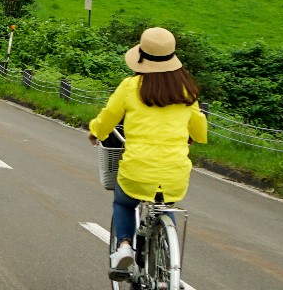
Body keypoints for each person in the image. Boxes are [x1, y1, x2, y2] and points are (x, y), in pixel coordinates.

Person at [86, 26, 207, 273]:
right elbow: (199, 131)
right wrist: (190, 136)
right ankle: (166, 267)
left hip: (137, 169)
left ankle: (124, 246)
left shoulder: (131, 86)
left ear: (141, 56)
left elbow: (109, 116)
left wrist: (96, 132)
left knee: (123, 203)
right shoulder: (186, 91)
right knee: (165, 204)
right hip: (175, 173)